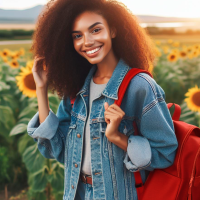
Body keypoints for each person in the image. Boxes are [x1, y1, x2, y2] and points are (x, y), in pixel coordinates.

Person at [27, 0, 178, 199]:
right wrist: (41, 88)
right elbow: (58, 150)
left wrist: (118, 137)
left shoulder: (139, 87)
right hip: (76, 192)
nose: (87, 41)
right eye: (77, 36)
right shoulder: (76, 89)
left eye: (95, 30)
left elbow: (165, 152)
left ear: (113, 30)